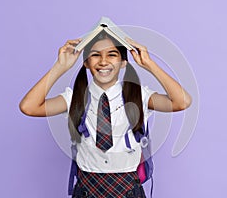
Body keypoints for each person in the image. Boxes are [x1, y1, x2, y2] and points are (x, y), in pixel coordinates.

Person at [19, 31, 192, 198]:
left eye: (112, 55)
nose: (103, 61)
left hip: (128, 190)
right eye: (95, 55)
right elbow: (29, 107)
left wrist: (149, 64)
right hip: (87, 189)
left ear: (123, 62)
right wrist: (60, 67)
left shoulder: (139, 96)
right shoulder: (74, 98)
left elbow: (182, 102)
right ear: (86, 62)